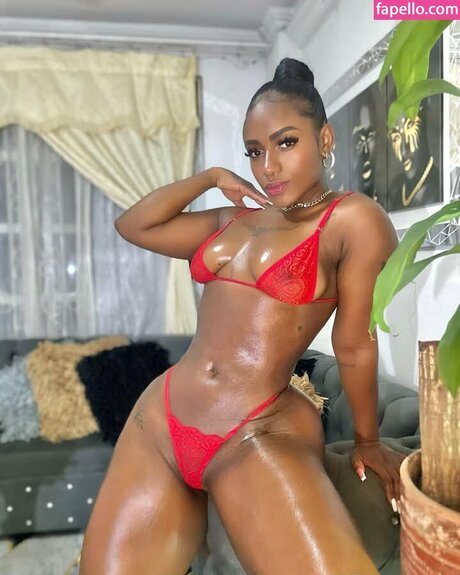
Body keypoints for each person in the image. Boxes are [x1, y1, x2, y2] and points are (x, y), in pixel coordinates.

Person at [80, 58, 406, 575]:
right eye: (254, 151)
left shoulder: (354, 219)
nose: (267, 167)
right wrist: (211, 177)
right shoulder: (235, 219)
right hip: (162, 418)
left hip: (255, 430)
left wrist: (368, 441)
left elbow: (353, 344)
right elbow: (134, 225)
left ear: (324, 138)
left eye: (285, 143)